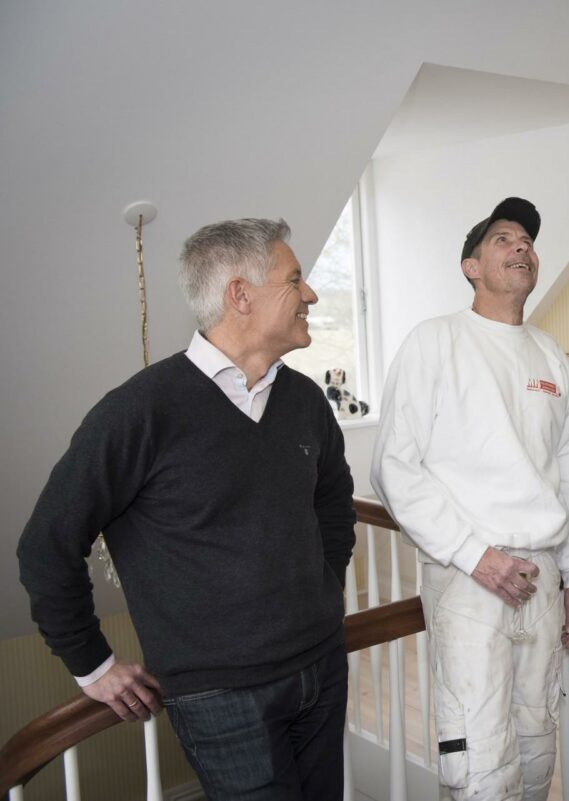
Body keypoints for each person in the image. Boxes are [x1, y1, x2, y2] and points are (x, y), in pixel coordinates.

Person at [17, 218, 357, 800]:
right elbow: (47, 545)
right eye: (295, 279)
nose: (311, 294)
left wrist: (321, 594)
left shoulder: (304, 401)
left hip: (322, 667)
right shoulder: (138, 413)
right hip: (219, 696)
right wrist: (93, 666)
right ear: (239, 295)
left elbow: (333, 508)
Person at [370, 197, 569, 801]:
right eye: (502, 239)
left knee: (537, 733)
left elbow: (568, 476)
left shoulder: (550, 355)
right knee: (479, 746)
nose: (521, 246)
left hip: (542, 572)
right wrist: (477, 556)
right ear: (470, 266)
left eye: (526, 239)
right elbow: (394, 467)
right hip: (468, 574)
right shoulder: (435, 341)